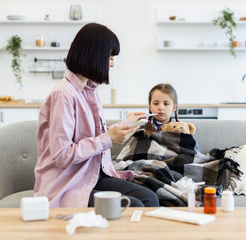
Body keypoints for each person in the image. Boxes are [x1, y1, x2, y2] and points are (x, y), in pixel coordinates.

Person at [33, 23, 159, 208]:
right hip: (68, 183)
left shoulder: (89, 90)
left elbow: (92, 137)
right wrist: (108, 138)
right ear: (94, 56)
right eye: (109, 57)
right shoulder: (64, 94)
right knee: (135, 205)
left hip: (91, 175)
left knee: (150, 198)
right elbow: (62, 156)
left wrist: (128, 123)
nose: (112, 63)